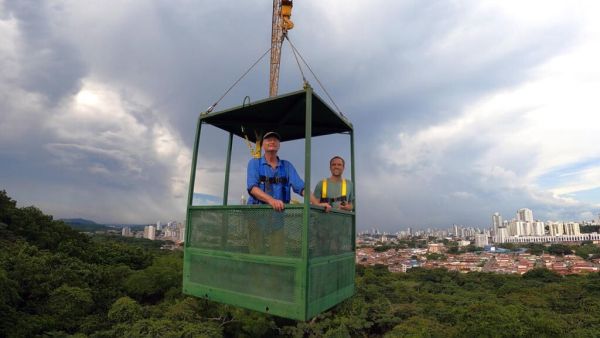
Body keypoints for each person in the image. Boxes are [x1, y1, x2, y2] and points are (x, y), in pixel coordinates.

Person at [246, 131, 328, 255]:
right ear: (263, 145)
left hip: (277, 218)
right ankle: (256, 274)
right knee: (256, 252)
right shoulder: (254, 163)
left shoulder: (287, 166)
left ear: (279, 145)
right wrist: (271, 200)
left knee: (278, 253)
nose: (272, 142)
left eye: (275, 140)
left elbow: (301, 187)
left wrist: (316, 203)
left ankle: (275, 273)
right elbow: (252, 188)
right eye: (268, 139)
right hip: (257, 217)